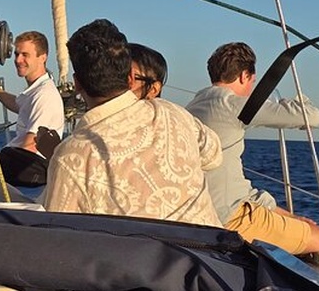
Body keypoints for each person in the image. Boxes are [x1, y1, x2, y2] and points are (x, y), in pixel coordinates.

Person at [43, 19, 222, 227]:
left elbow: (57, 233)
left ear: (77, 84)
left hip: (139, 249)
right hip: (211, 244)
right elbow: (214, 156)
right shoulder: (173, 113)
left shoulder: (71, 156)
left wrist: (55, 155)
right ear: (130, 77)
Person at [186, 42, 319, 258]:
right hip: (228, 219)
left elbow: (234, 189)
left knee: (300, 226)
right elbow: (312, 116)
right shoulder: (234, 105)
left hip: (201, 214)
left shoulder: (193, 106)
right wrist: (291, 100)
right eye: (253, 82)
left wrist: (291, 218)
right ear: (244, 76)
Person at [0, 31, 64, 187]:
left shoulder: (45, 95)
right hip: (21, 170)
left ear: (43, 57)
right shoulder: (36, 90)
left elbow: (32, 144)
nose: (18, 60)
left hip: (24, 176)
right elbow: (17, 105)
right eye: (16, 54)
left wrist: (2, 167)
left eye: (25, 55)